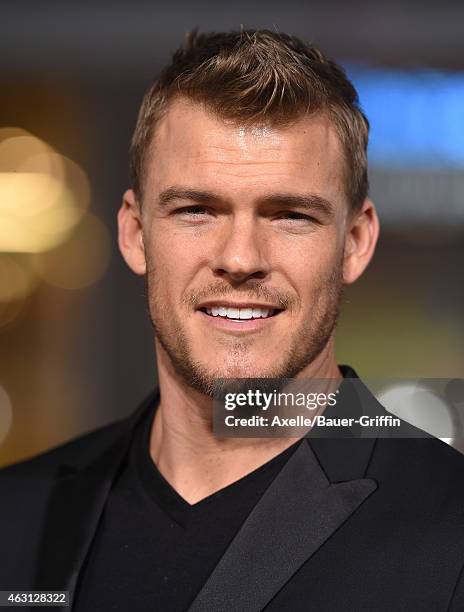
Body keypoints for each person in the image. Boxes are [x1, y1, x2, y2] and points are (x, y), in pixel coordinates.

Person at [1, 29, 464, 612]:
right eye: (196, 210)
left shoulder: (451, 532)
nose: (241, 258)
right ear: (135, 233)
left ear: (355, 242)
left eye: (290, 215)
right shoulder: (16, 515)